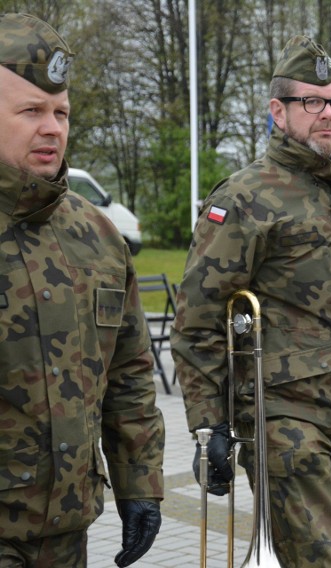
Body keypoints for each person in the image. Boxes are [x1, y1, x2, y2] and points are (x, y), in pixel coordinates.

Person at [170, 36, 331, 567]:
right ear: (278, 111)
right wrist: (208, 425)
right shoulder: (244, 198)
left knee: (329, 547)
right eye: (312, 102)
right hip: (281, 417)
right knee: (324, 559)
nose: (327, 114)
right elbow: (197, 320)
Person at [0, 13, 165, 567]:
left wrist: (139, 482)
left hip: (66, 528)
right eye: (31, 111)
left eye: (61, 112)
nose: (52, 128)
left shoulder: (96, 234)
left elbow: (129, 371)